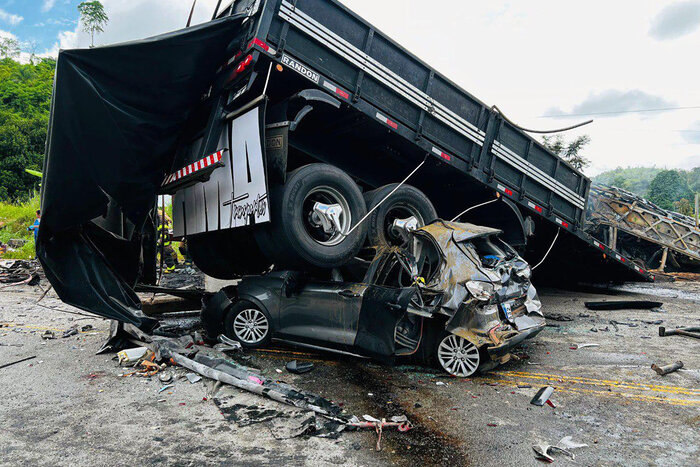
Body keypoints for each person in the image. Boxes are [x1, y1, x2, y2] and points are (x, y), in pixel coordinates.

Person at [157, 209, 178, 274]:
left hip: (163, 241)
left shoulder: (161, 220)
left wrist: (160, 241)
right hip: (163, 241)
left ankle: (171, 268)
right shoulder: (161, 218)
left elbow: (164, 232)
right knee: (166, 253)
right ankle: (174, 263)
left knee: (166, 255)